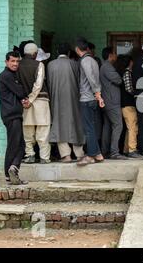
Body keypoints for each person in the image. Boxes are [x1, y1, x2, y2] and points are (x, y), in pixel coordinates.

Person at [47, 43, 85, 163]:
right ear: (69, 53)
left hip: (56, 98)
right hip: (73, 98)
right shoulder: (74, 64)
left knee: (59, 125)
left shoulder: (50, 65)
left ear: (57, 52)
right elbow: (80, 81)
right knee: (75, 124)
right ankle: (79, 154)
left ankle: (65, 155)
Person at [17, 43, 51, 164]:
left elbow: (17, 85)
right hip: (40, 101)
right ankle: (44, 157)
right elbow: (38, 84)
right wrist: (31, 99)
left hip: (25, 103)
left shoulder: (18, 65)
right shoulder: (39, 64)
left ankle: (30, 155)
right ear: (35, 53)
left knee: (27, 130)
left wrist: (25, 100)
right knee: (43, 130)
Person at [0, 51, 29, 184]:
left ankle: (11, 172)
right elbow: (20, 91)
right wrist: (24, 97)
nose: (15, 64)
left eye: (17, 61)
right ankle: (10, 171)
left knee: (19, 144)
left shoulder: (11, 75)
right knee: (15, 145)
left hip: (13, 115)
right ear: (6, 62)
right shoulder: (6, 76)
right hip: (12, 116)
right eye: (12, 61)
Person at [75, 37, 105, 166]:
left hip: (87, 98)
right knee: (91, 126)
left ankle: (92, 155)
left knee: (89, 128)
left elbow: (91, 78)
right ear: (87, 48)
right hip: (92, 98)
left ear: (77, 50)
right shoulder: (92, 60)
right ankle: (97, 153)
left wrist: (97, 94)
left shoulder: (85, 61)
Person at [100, 47, 127, 160]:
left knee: (107, 127)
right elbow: (118, 80)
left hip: (107, 101)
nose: (116, 56)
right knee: (118, 125)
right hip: (112, 101)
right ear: (110, 55)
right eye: (115, 53)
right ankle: (114, 152)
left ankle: (105, 151)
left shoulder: (104, 66)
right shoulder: (107, 67)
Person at [116, 53, 143, 159]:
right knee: (133, 127)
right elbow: (128, 88)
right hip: (128, 104)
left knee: (129, 127)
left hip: (125, 104)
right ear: (129, 62)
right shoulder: (127, 73)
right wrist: (137, 93)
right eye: (132, 61)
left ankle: (126, 149)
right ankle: (132, 150)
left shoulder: (122, 72)